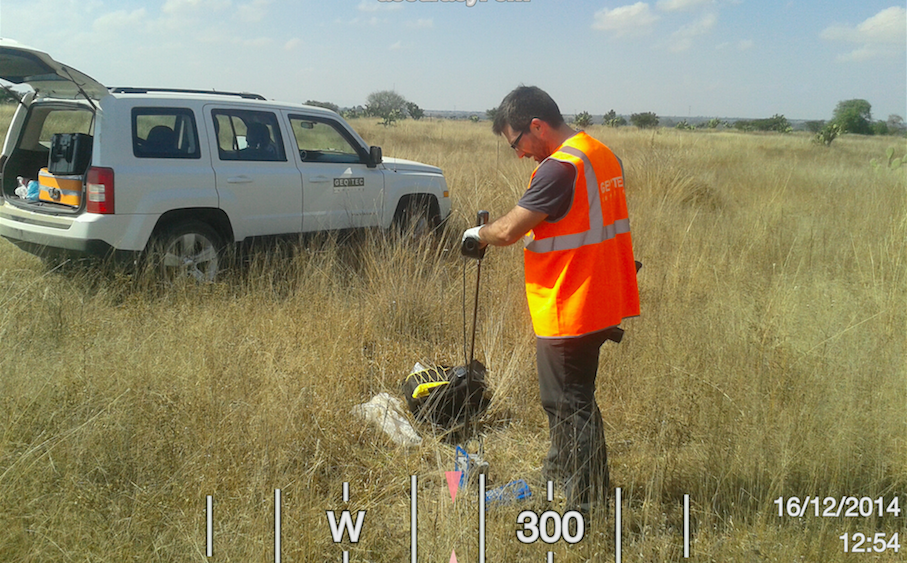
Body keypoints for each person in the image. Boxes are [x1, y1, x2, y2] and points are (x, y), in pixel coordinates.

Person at [462, 85, 640, 513]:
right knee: (573, 397)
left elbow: (507, 231)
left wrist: (477, 235)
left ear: (536, 126)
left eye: (517, 143)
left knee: (568, 404)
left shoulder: (560, 169)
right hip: (602, 298)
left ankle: (589, 507)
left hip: (571, 306)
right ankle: (559, 475)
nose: (520, 154)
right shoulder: (599, 153)